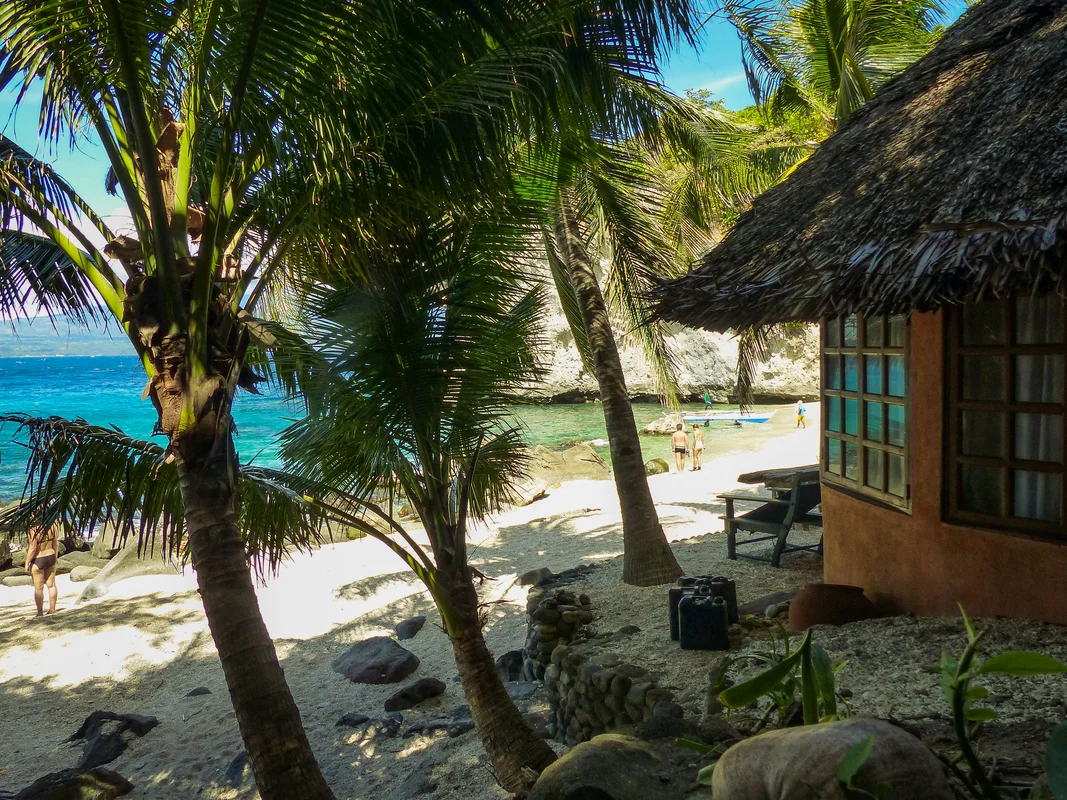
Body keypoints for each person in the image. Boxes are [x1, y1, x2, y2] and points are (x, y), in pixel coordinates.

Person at [24, 522, 59, 616]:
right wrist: (55, 557)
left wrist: (27, 563)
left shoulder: (33, 530)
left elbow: (33, 548)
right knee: (52, 585)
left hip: (39, 558)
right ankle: (52, 609)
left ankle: (40, 612)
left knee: (39, 588)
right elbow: (55, 544)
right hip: (51, 556)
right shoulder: (51, 526)